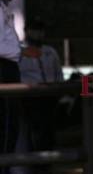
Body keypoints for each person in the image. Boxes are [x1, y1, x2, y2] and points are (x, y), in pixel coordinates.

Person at [15, 18, 63, 174]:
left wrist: (58, 94)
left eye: (41, 30)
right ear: (27, 31)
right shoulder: (19, 51)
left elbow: (58, 75)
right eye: (35, 29)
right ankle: (32, 167)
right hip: (28, 99)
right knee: (30, 136)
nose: (39, 33)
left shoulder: (50, 51)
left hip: (49, 99)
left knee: (48, 136)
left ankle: (45, 167)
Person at [0, 0, 23, 174]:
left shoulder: (3, 4)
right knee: (6, 128)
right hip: (3, 69)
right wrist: (22, 51)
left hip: (9, 67)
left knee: (10, 129)